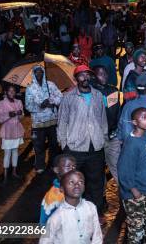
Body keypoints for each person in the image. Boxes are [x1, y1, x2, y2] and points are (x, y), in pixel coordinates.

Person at [57, 65, 108, 214]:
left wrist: (103, 138)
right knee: (75, 183)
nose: (85, 78)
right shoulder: (68, 97)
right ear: (76, 78)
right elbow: (62, 122)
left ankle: (94, 213)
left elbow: (102, 118)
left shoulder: (98, 95)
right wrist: (64, 144)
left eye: (87, 75)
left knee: (96, 183)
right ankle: (75, 213)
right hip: (75, 148)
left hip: (96, 147)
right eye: (81, 75)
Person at [118, 107, 146, 243]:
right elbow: (123, 170)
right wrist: (134, 191)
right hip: (134, 195)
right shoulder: (131, 144)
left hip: (144, 192)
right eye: (143, 117)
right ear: (134, 122)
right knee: (136, 231)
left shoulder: (143, 139)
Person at [40, 170, 103, 244]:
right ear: (62, 189)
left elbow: (97, 234)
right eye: (71, 182)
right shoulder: (57, 217)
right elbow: (45, 241)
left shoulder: (90, 207)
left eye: (80, 182)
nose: (77, 185)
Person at [25, 65, 62, 174]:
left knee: (54, 145)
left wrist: (53, 102)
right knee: (39, 145)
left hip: (52, 121)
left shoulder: (50, 85)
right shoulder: (30, 88)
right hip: (38, 123)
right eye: (36, 72)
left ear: (44, 72)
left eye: (41, 71)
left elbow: (60, 97)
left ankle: (54, 164)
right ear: (33, 74)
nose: (39, 74)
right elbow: (28, 105)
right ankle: (40, 165)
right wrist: (41, 106)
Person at [91, 65, 121, 183]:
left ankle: (124, 196)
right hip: (97, 138)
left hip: (112, 135)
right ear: (94, 76)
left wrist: (117, 132)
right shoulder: (91, 93)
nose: (104, 76)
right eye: (100, 74)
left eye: (105, 74)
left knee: (117, 166)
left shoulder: (112, 91)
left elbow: (115, 111)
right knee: (98, 169)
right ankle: (101, 196)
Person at [0, 83, 24, 182]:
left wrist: (20, 114)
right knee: (7, 153)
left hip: (16, 130)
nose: (12, 93)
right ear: (5, 92)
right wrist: (8, 115)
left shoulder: (19, 102)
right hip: (7, 131)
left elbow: (21, 117)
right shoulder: (0, 104)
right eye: (10, 91)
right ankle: (6, 175)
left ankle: (14, 172)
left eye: (13, 91)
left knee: (15, 151)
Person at [40, 154, 77, 225]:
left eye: (74, 166)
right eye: (68, 166)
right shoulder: (54, 196)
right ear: (56, 170)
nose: (72, 169)